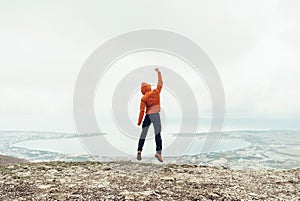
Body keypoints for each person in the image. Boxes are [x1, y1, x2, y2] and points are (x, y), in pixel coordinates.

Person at [137, 68, 163, 162]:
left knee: (143, 133)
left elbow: (141, 111)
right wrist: (158, 72)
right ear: (149, 87)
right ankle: (158, 153)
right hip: (155, 115)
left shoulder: (143, 98)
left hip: (148, 115)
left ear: (143, 90)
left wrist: (139, 121)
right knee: (157, 133)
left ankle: (139, 150)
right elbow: (160, 82)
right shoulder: (156, 92)